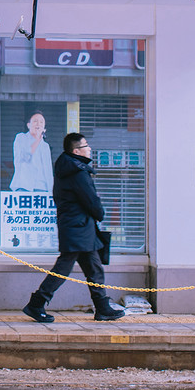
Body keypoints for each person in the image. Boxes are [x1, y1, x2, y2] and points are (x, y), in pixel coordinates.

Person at [22, 132, 125, 323]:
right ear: (77, 150)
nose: (90, 148)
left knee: (94, 268)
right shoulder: (77, 172)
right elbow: (90, 199)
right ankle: (37, 303)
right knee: (64, 268)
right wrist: (100, 213)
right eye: (86, 146)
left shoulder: (70, 168)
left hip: (79, 227)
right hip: (77, 227)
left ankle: (102, 307)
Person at [9, 112, 53, 192]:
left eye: (41, 122)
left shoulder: (45, 146)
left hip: (42, 187)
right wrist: (37, 139)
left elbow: (48, 169)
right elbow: (25, 157)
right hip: (24, 185)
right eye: (35, 121)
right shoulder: (21, 138)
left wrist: (51, 190)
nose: (38, 124)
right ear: (28, 125)